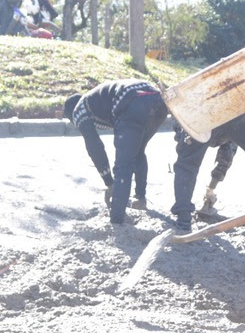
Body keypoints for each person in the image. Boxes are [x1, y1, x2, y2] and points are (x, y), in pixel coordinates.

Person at [63, 80, 168, 225]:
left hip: (131, 101)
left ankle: (117, 219)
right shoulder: (97, 98)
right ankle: (140, 199)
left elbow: (95, 147)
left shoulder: (79, 110)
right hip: (158, 100)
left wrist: (110, 183)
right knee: (137, 151)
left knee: (123, 166)